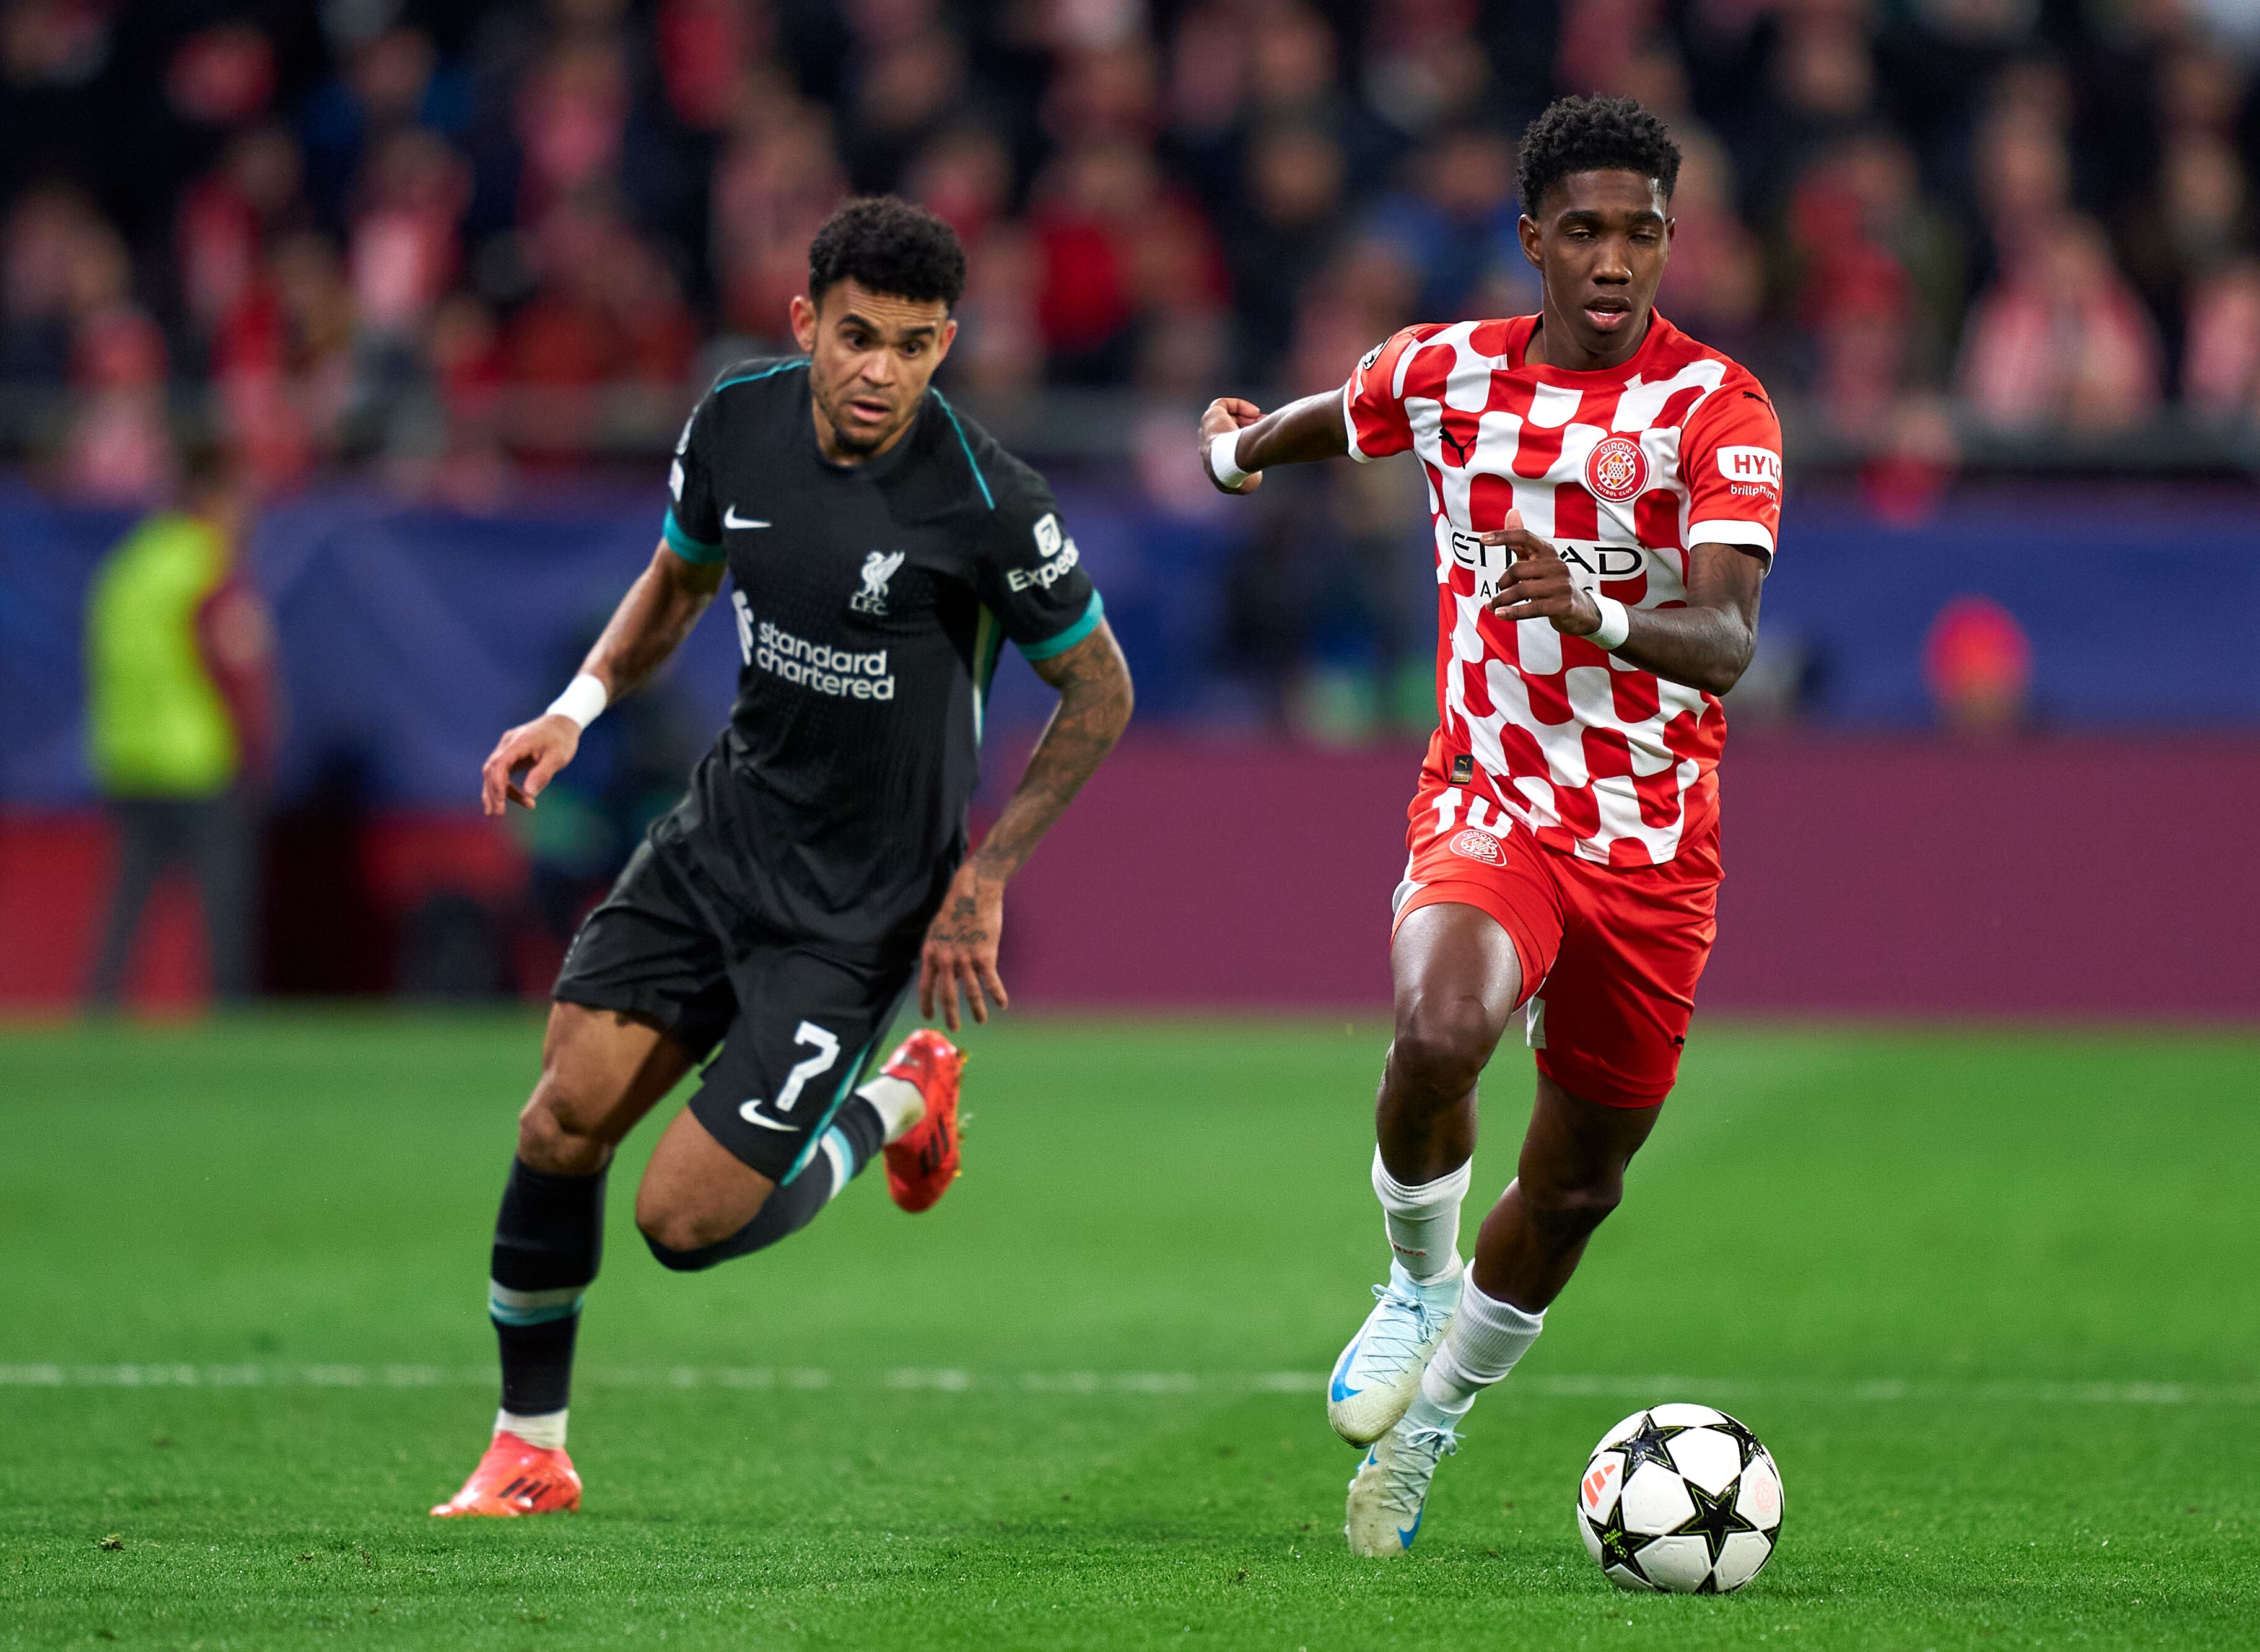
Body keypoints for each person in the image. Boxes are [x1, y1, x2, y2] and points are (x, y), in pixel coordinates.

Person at [431, 196, 1133, 1517]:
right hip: (721, 839)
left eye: (915, 346)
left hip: (855, 911)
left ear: (946, 347)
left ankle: (899, 1101)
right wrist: (574, 711)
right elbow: (678, 582)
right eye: (859, 336)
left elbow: (1098, 690)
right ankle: (530, 1447)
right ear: (805, 320)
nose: (882, 372)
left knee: (683, 1223)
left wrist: (982, 876)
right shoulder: (734, 424)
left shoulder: (985, 499)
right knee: (559, 1116)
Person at [1196, 95, 1781, 1557]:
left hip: (1650, 843)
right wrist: (1235, 454)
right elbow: (1345, 415)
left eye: (1638, 233)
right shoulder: (1448, 372)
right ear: (1530, 239)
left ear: (1665, 244)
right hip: (1491, 799)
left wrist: (1580, 599)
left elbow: (1722, 640)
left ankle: (1433, 1426)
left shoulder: (1716, 407)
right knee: (1438, 1033)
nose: (1611, 259)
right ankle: (1409, 1284)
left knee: (1577, 1183)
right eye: (1581, 230)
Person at [84, 448, 277, 1007]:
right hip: (197, 756)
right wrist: (257, 746)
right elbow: (237, 664)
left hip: (128, 754)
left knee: (126, 903)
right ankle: (228, 1019)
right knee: (224, 904)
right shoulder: (209, 564)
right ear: (213, 498)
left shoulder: (129, 565)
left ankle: (99, 1013)